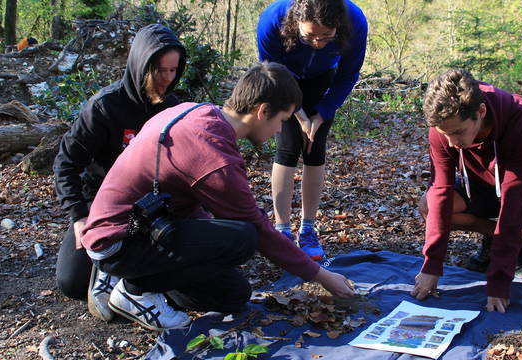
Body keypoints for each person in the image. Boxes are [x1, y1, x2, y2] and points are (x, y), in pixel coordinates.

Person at [79, 62, 356, 331]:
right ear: (262, 111)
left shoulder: (197, 112)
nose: (280, 131)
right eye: (282, 120)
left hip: (144, 227)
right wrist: (321, 275)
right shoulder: (213, 154)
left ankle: (148, 278)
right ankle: (134, 290)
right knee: (243, 237)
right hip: (117, 241)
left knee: (233, 295)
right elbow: (257, 228)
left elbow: (187, 201)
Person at [53, 24, 186, 323]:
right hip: (101, 204)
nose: (168, 79)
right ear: (142, 66)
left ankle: (127, 279)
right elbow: (66, 162)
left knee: (183, 276)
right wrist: (79, 216)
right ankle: (109, 269)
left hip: (150, 206)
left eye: (174, 70)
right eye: (161, 71)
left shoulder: (173, 106)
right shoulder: (105, 106)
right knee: (71, 283)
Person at [412, 69, 522, 313]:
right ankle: (496, 236)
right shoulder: (443, 127)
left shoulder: (520, 117)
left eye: (458, 133)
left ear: (481, 112)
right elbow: (441, 190)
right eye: (446, 135)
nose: (452, 143)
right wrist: (432, 265)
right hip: (480, 186)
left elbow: (513, 198)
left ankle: (521, 243)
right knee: (430, 204)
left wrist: (498, 281)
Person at [257, 0, 367, 260]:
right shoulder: (272, 19)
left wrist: (322, 113)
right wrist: (300, 115)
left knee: (314, 147)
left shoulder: (355, 21)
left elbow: (349, 72)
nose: (318, 43)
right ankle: (282, 231)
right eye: (309, 37)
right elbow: (272, 71)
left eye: (326, 37)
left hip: (323, 79)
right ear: (296, 23)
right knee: (288, 146)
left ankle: (308, 229)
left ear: (338, 27)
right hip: (284, 78)